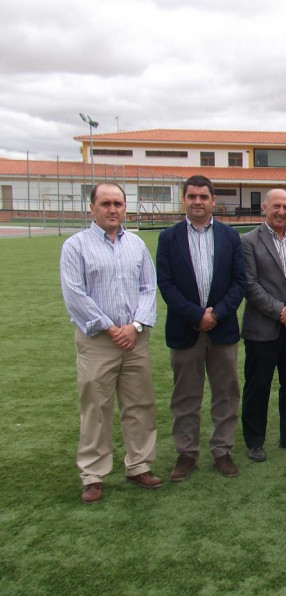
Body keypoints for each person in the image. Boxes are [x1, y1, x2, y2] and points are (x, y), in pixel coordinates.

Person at [60, 182, 162, 504]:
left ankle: (139, 464)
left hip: (135, 340)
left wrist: (133, 326)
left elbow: (149, 287)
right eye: (105, 203)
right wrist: (110, 328)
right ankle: (92, 475)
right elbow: (75, 294)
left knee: (140, 405)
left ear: (125, 208)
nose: (112, 209)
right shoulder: (75, 246)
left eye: (118, 203)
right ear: (92, 208)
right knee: (95, 408)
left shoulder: (137, 244)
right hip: (98, 342)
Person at [156, 175, 246, 481]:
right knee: (185, 396)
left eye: (203, 197)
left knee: (226, 393)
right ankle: (186, 453)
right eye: (192, 196)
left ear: (212, 201)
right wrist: (197, 315)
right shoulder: (168, 238)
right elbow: (166, 285)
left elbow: (239, 282)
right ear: (184, 199)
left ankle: (222, 449)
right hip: (185, 329)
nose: (197, 202)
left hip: (222, 330)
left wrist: (216, 314)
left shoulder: (229, 236)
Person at [241, 189, 286, 461]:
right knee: (258, 386)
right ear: (264, 207)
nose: (282, 211)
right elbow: (249, 284)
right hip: (262, 327)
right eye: (277, 206)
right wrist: (279, 310)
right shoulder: (248, 241)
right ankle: (255, 441)